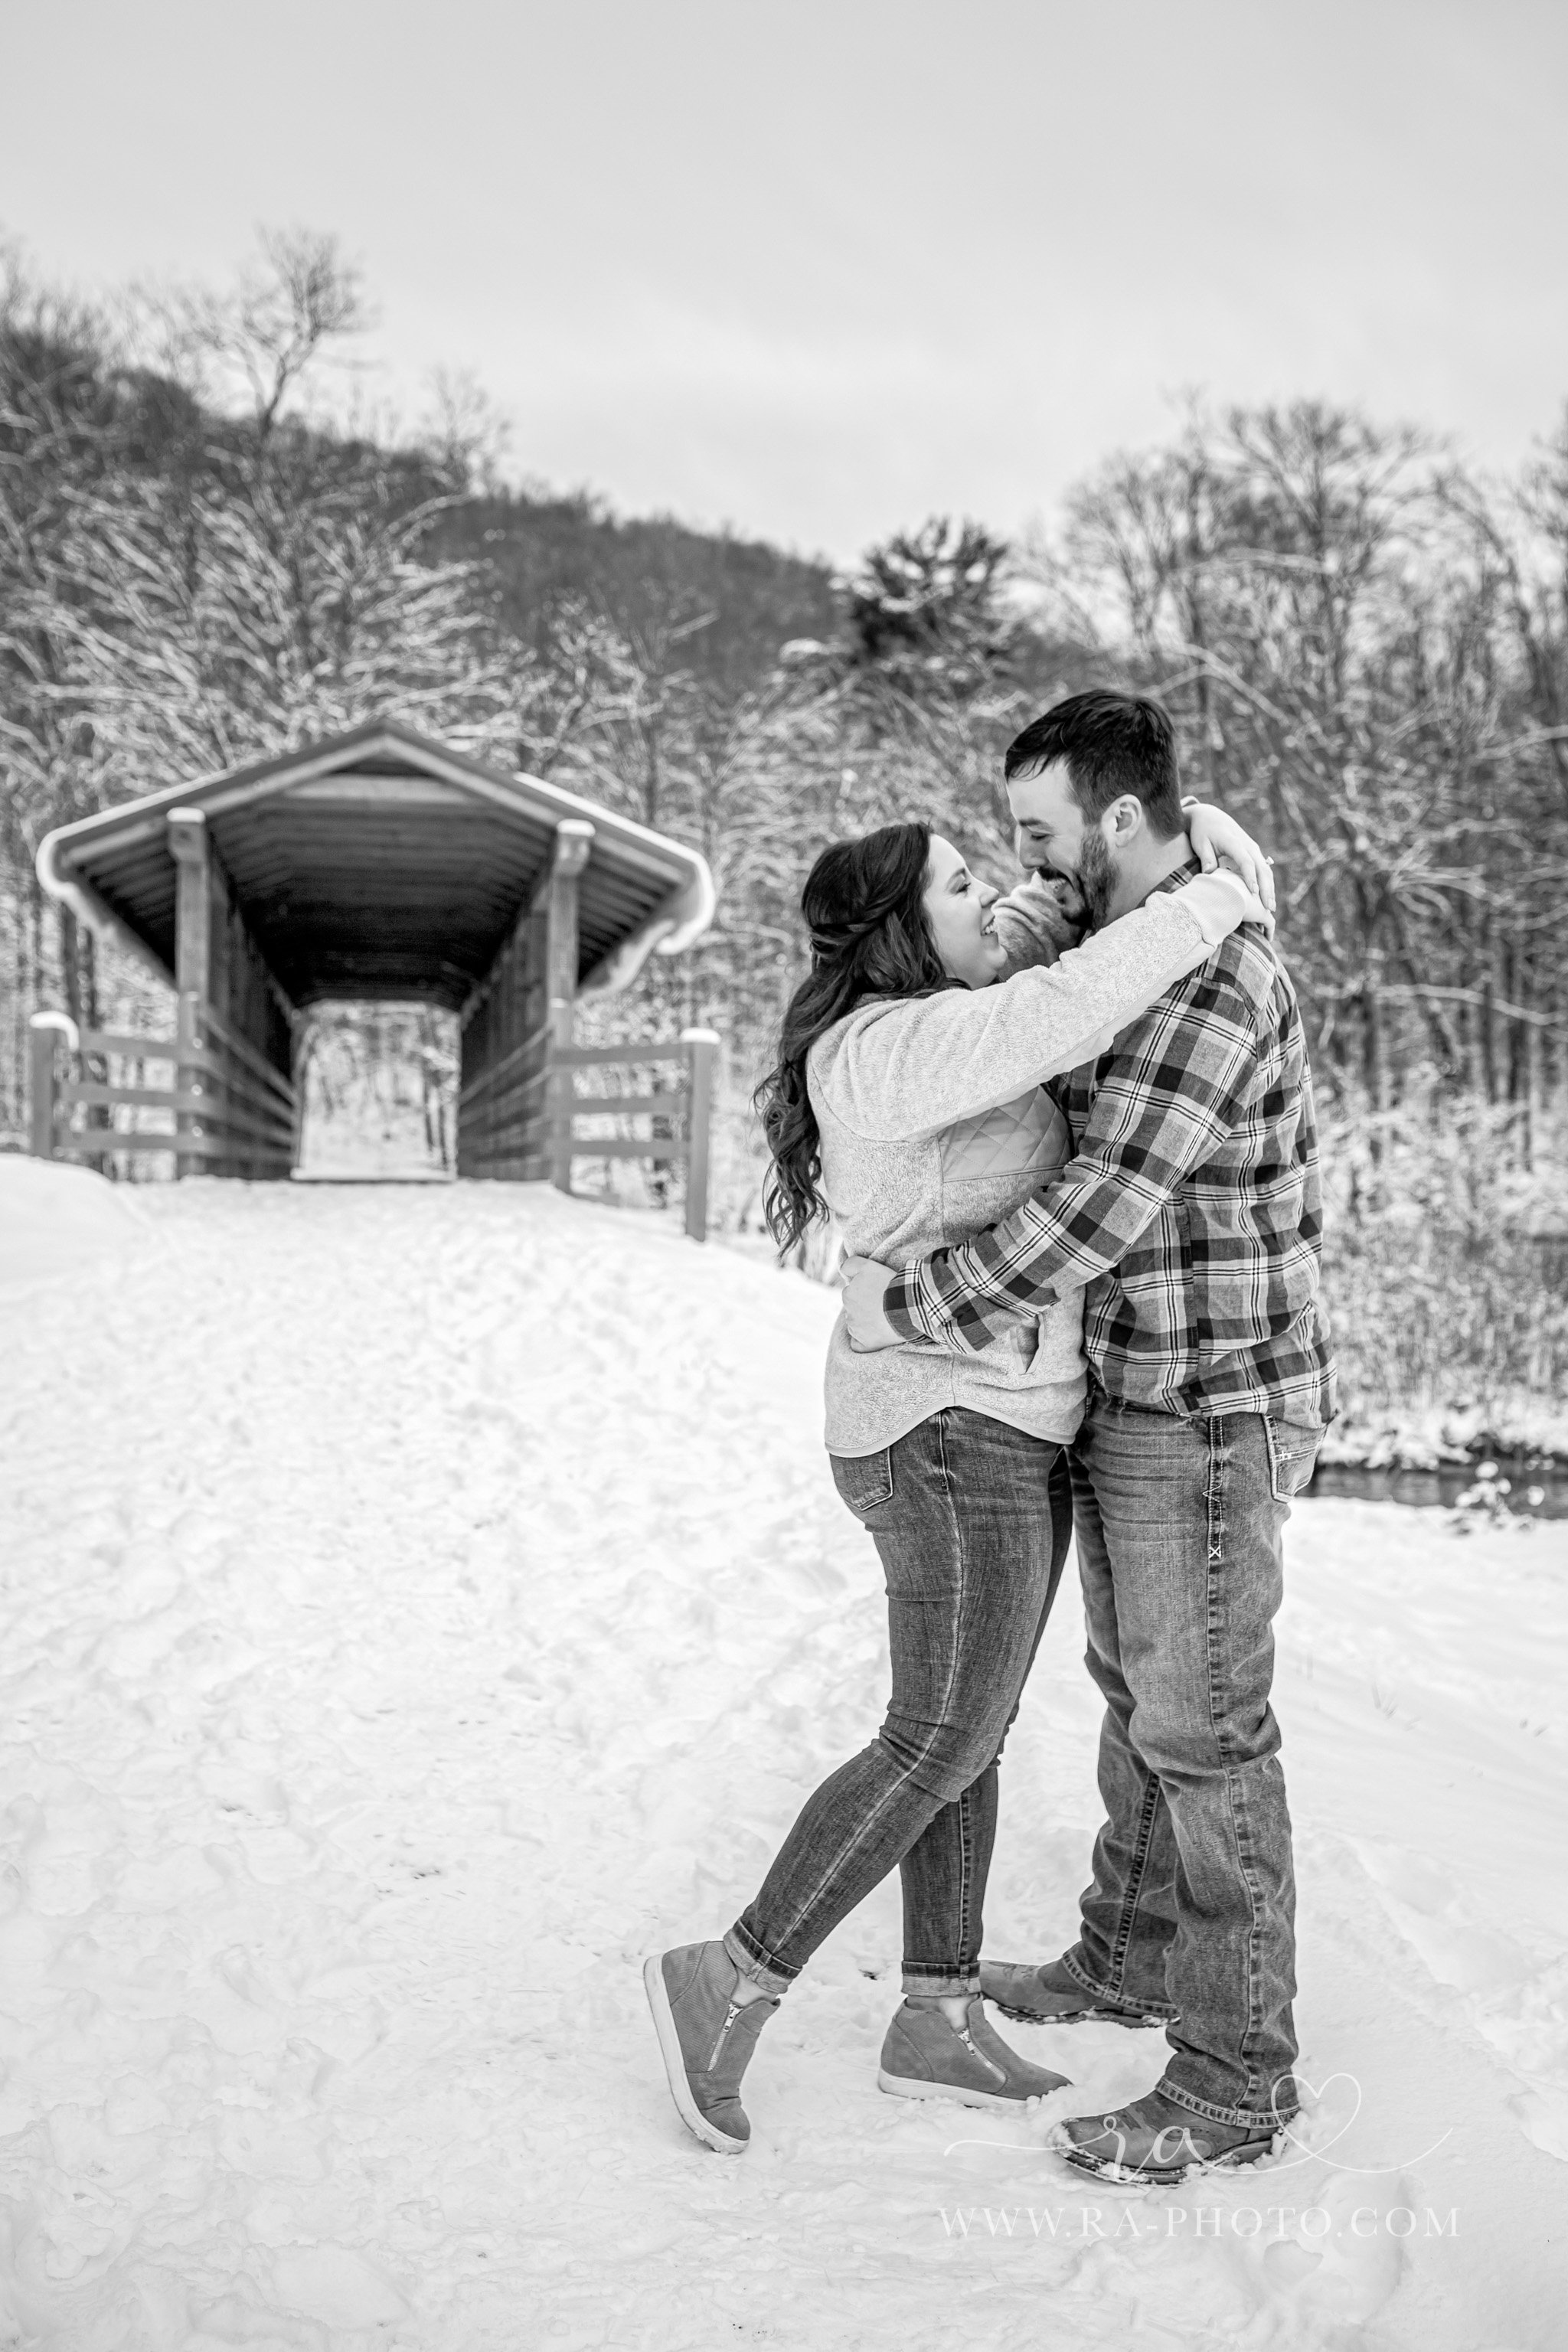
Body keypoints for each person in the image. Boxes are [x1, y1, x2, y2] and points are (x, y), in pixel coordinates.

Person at [644, 790, 1273, 2157]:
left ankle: (934, 2013)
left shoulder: (941, 1018)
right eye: (953, 887)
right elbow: (1051, 1011)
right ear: (896, 938)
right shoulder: (891, 1050)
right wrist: (1218, 897)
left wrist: (1099, 886)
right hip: (943, 1431)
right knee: (937, 1735)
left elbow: (1030, 947)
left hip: (992, 1419)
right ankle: (731, 1973)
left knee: (964, 1730)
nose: (991, 897)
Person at [841, 688, 1336, 2187]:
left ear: (1123, 821)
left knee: (1204, 1731)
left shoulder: (1209, 973)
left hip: (1204, 1395)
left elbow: (1104, 1203)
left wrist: (923, 1301)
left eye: (1045, 834)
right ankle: (1124, 1958)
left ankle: (1236, 2078)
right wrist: (1022, 923)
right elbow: (1024, 990)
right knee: (1134, 1693)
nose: (1027, 866)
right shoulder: (1123, 940)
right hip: (1133, 1383)